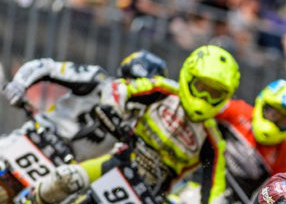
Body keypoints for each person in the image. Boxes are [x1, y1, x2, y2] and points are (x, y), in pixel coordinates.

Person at [1, 45, 239, 204]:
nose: (205, 97)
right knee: (65, 179)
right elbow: (119, 90)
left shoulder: (214, 142)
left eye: (214, 93)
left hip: (150, 195)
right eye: (201, 87)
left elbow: (214, 192)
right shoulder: (159, 90)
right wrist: (111, 108)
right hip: (115, 163)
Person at [2, 50, 169, 161]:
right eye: (129, 81)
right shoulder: (97, 79)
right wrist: (19, 85)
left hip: (67, 172)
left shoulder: (139, 126)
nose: (132, 90)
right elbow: (47, 67)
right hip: (38, 135)